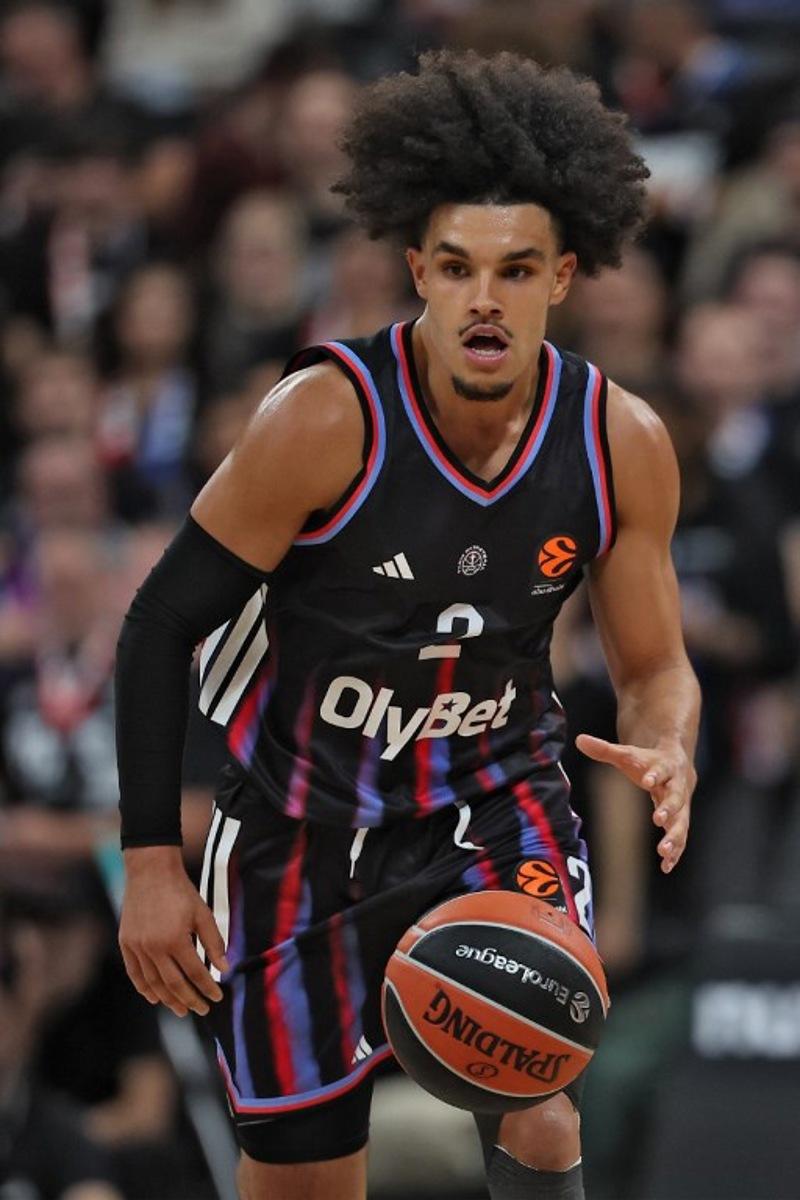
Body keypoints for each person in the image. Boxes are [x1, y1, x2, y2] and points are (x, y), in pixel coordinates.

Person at [115, 50, 700, 1200]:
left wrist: (667, 739)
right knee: (304, 1181)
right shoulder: (321, 420)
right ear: (417, 274)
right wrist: (150, 865)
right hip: (297, 823)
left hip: (492, 800)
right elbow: (156, 626)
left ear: (563, 276)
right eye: (458, 267)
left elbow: (653, 665)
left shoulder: (617, 438)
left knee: (535, 1076)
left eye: (517, 269)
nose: (486, 297)